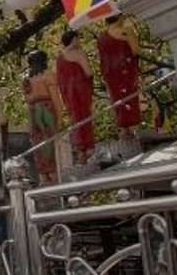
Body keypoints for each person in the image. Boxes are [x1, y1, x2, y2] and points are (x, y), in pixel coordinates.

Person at [96, 14, 143, 143]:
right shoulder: (126, 30)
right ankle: (135, 130)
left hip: (110, 73)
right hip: (125, 69)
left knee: (118, 100)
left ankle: (124, 132)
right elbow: (136, 50)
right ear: (119, 17)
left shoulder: (101, 37)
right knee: (130, 97)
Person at [55, 30, 95, 165]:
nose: (79, 41)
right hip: (81, 90)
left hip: (68, 93)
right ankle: (88, 149)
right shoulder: (78, 53)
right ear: (73, 39)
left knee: (75, 120)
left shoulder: (59, 57)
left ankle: (80, 151)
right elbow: (89, 72)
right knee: (85, 117)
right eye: (78, 39)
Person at [25, 49, 65, 182]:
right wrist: (60, 117)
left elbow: (28, 102)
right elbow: (55, 98)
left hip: (34, 115)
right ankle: (54, 178)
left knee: (39, 147)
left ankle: (43, 177)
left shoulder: (26, 79)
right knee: (51, 145)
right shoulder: (48, 75)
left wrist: (30, 125)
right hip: (47, 112)